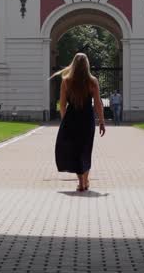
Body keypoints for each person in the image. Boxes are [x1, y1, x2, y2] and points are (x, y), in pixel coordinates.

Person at [51, 52, 106, 191]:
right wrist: (101, 122)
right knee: (86, 150)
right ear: (87, 64)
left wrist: (65, 121)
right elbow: (98, 103)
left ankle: (81, 181)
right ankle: (85, 180)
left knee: (74, 150)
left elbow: (62, 104)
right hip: (87, 119)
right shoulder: (92, 81)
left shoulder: (66, 81)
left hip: (72, 119)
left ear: (73, 64)